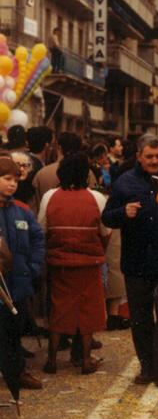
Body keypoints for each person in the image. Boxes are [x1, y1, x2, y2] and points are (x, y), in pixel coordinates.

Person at [102, 134, 158, 390]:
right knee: (140, 317)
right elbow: (107, 217)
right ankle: (147, 367)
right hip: (136, 262)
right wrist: (123, 212)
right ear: (139, 156)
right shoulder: (124, 183)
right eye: (149, 156)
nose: (154, 161)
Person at [38, 153, 110, 375]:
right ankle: (86, 360)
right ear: (85, 174)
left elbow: (42, 228)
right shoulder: (97, 198)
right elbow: (105, 232)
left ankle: (51, 360)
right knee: (89, 309)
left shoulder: (50, 196)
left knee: (59, 308)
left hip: (60, 263)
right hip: (89, 263)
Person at [0, 156, 45, 389]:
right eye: (7, 179)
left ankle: (18, 373)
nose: (12, 184)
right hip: (1, 285)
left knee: (14, 331)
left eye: (15, 180)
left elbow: (38, 239)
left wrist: (33, 267)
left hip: (18, 283)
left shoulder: (22, 210)